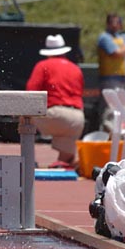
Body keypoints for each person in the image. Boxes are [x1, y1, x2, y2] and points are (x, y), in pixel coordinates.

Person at [26, 34, 85, 170]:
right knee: (67, 149)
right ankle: (64, 161)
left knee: (25, 117)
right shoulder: (76, 68)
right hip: (77, 118)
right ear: (64, 51)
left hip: (53, 114)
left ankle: (29, 159)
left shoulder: (43, 65)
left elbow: (31, 91)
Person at [93, 13, 125, 133]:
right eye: (114, 22)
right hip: (109, 78)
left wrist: (122, 50)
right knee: (108, 108)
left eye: (118, 22)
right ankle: (105, 134)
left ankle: (115, 133)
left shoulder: (120, 37)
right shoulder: (104, 37)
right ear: (108, 23)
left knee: (120, 108)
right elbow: (115, 53)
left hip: (121, 77)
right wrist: (123, 50)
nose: (117, 25)